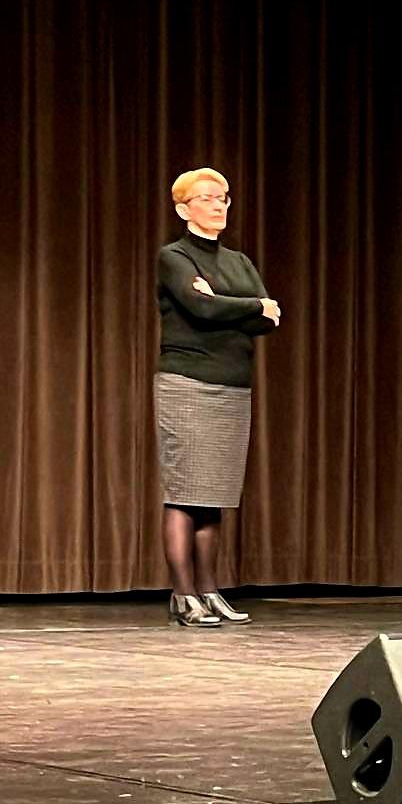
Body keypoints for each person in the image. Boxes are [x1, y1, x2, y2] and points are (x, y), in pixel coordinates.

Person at [155, 167, 281, 627]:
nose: (218, 205)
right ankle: (183, 594)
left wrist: (236, 305)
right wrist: (249, 305)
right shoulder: (175, 257)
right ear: (183, 209)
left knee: (214, 494)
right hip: (188, 383)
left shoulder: (239, 261)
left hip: (233, 384)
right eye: (207, 198)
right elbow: (200, 308)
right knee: (185, 492)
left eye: (223, 197)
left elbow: (268, 319)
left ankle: (209, 590)